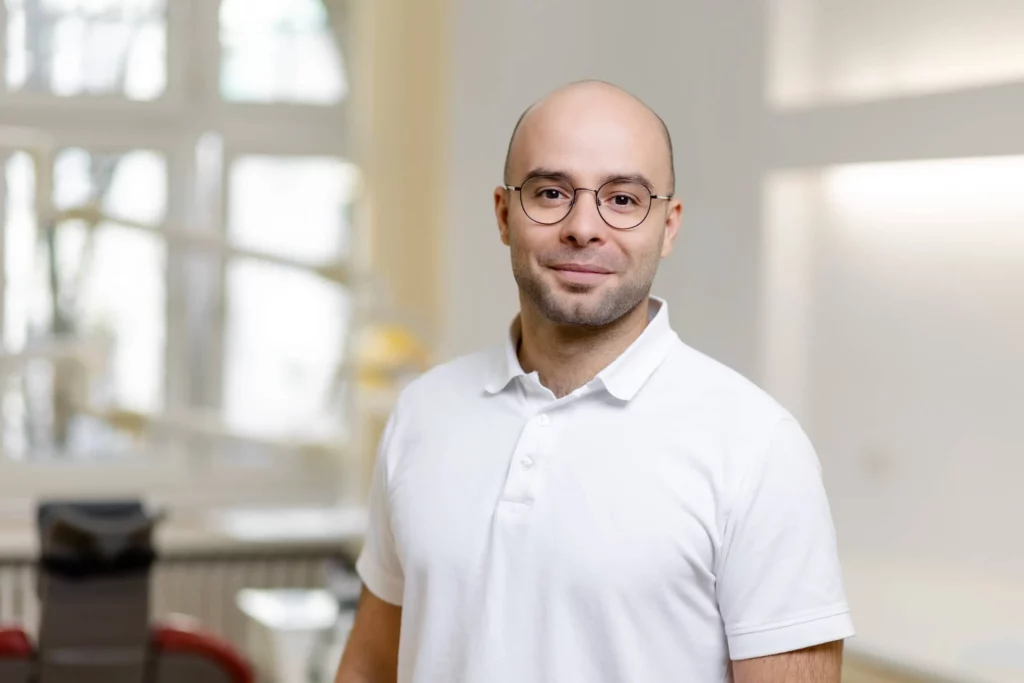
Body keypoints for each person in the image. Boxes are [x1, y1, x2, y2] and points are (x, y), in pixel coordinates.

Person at [335, 80, 854, 683]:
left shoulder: (757, 447)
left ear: (668, 226)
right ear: (504, 215)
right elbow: (372, 665)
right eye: (551, 192)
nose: (584, 227)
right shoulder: (424, 411)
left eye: (624, 199)